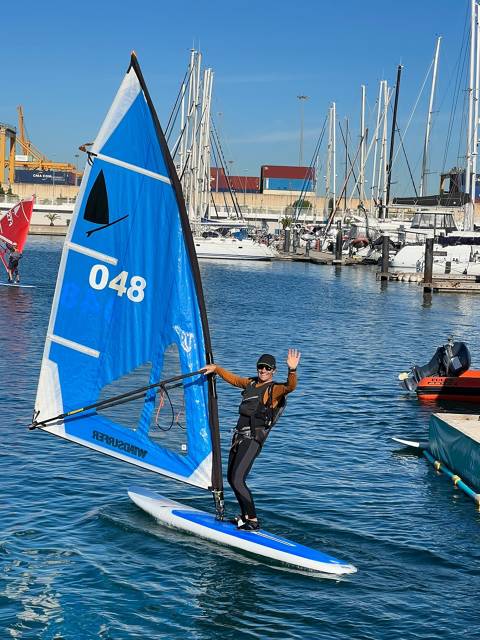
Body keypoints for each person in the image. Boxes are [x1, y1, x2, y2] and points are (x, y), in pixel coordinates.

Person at [203, 348, 301, 531]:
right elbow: (233, 379)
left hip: (252, 441)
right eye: (260, 367)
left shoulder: (274, 389)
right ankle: (245, 516)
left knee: (238, 479)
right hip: (238, 438)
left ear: (273, 371)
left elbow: (290, 387)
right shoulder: (250, 383)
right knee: (232, 479)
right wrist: (216, 368)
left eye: (267, 368)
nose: (263, 371)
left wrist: (292, 370)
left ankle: (253, 521)